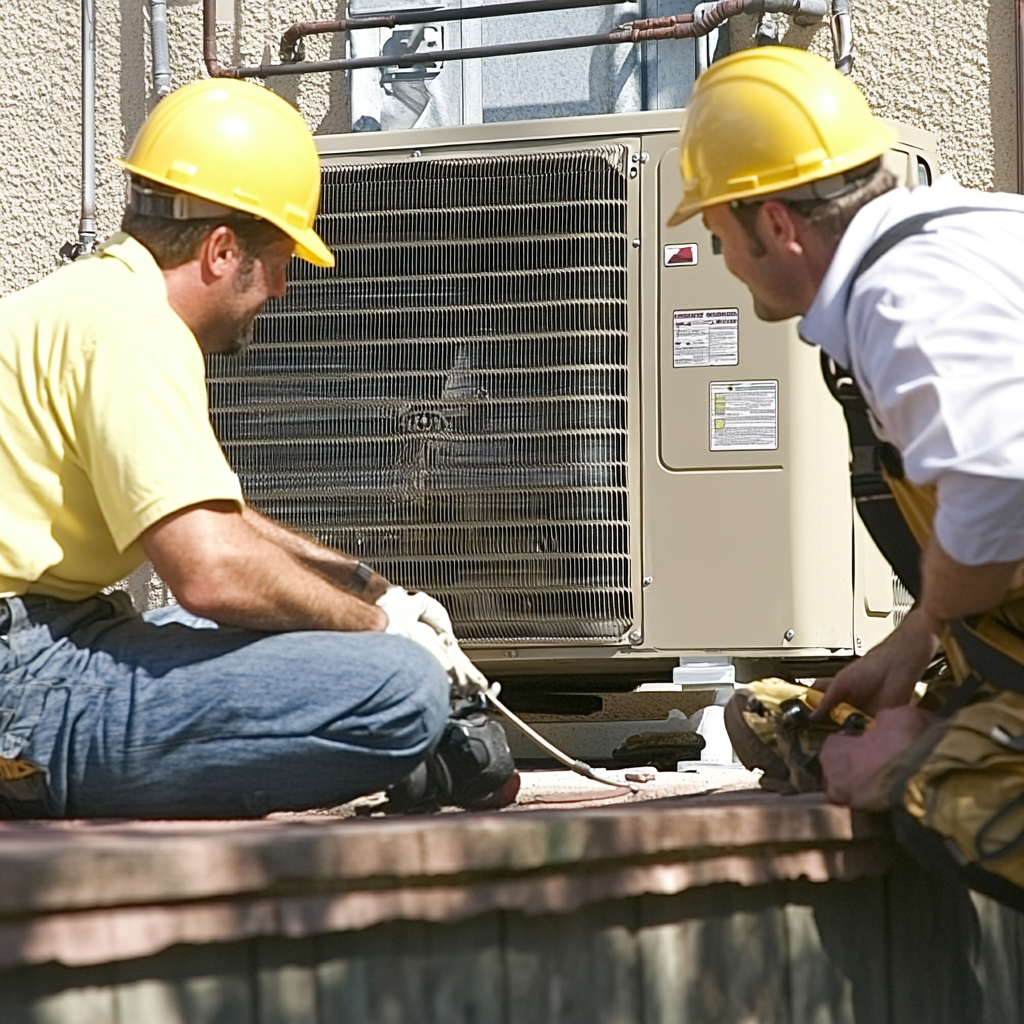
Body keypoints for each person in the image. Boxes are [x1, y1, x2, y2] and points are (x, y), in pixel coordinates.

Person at [0, 78, 515, 819]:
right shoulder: (138, 333)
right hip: (26, 683)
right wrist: (381, 636)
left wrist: (372, 589)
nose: (279, 289)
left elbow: (220, 521)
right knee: (397, 686)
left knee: (271, 631)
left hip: (52, 636)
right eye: (279, 261)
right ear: (219, 251)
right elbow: (210, 571)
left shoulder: (93, 301)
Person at [671, 46, 1024, 899]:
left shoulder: (901, 302)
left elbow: (1001, 491)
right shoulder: (974, 232)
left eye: (720, 234)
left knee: (946, 793)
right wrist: (911, 648)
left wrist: (913, 758)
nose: (723, 260)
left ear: (778, 225)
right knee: (786, 713)